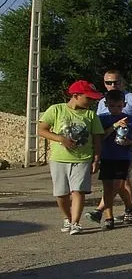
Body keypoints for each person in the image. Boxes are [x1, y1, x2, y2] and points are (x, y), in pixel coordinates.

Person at [37, 80, 105, 235]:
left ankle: (75, 223)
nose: (92, 101)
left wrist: (96, 159)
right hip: (59, 158)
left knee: (78, 191)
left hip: (83, 158)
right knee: (61, 193)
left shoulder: (90, 115)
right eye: (88, 98)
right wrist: (60, 139)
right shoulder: (56, 109)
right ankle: (67, 218)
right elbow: (41, 130)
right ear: (76, 95)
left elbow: (97, 139)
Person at [90, 70, 132, 223]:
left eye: (115, 82)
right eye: (108, 82)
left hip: (127, 147)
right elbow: (98, 127)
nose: (112, 85)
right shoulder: (102, 102)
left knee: (120, 180)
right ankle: (127, 210)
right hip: (107, 148)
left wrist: (127, 124)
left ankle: (100, 210)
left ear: (122, 82)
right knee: (119, 181)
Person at [97, 89, 132, 229]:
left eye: (119, 106)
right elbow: (100, 137)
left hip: (122, 156)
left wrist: (130, 142)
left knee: (117, 186)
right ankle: (109, 217)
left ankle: (99, 210)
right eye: (112, 106)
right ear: (106, 104)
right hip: (106, 156)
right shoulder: (102, 118)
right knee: (107, 187)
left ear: (124, 105)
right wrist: (114, 126)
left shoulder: (130, 119)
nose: (115, 109)